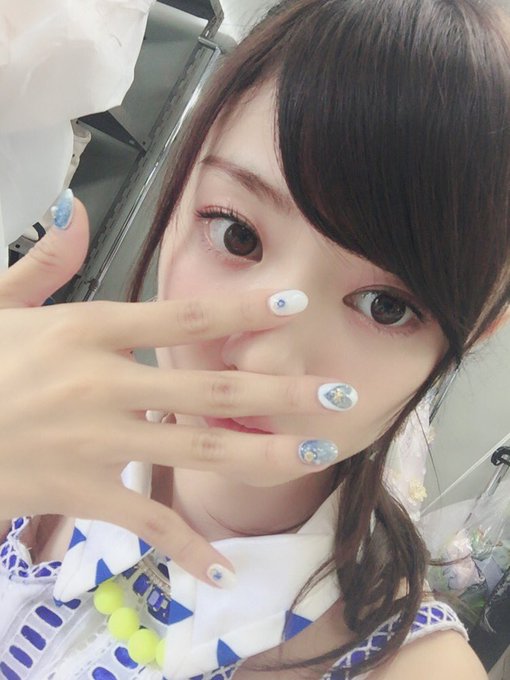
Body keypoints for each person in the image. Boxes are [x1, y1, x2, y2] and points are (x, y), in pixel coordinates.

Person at [0, 0, 508, 677]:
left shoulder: (415, 668)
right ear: (179, 183)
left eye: (386, 307)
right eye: (238, 235)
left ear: (476, 329)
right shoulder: (26, 449)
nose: (267, 357)